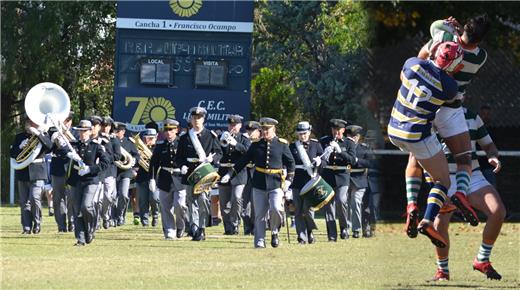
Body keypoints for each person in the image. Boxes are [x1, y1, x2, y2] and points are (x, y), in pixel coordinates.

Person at [405, 15, 491, 234]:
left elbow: (421, 58)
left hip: (428, 105)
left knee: (415, 158)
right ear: (480, 40)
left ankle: (412, 202)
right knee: (464, 158)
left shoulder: (444, 37)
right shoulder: (480, 56)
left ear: (464, 27)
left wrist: (446, 29)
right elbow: (466, 46)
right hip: (451, 109)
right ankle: (460, 193)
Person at [388, 41, 464, 248]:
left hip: (394, 130)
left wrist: (435, 40)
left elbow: (420, 59)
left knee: (419, 162)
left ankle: (412, 204)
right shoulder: (449, 87)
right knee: (443, 180)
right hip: (416, 134)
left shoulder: (413, 64)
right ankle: (428, 221)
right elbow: (451, 79)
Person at [429, 108, 505, 281]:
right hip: (445, 177)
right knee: (440, 224)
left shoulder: (472, 117)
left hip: (473, 175)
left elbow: (488, 145)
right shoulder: (431, 116)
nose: (459, 93)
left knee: (498, 211)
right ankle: (443, 270)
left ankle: (482, 259)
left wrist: (492, 156)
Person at [221, 117, 295, 248]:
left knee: (276, 209)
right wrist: (230, 174)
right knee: (260, 214)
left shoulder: (282, 144)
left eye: (268, 129)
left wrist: (289, 180)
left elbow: (291, 163)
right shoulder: (256, 145)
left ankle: (274, 231)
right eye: (263, 129)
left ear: (274, 129)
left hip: (276, 183)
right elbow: (243, 161)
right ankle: (259, 241)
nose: (265, 131)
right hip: (259, 183)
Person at [176, 107, 222, 241]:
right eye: (194, 117)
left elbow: (219, 152)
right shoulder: (185, 138)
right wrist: (182, 165)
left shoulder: (210, 135)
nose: (197, 120)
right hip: (190, 172)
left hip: (205, 171)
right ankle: (195, 228)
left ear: (204, 119)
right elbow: (179, 157)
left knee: (203, 200)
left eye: (199, 118)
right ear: (191, 119)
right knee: (191, 201)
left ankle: (202, 227)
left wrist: (212, 159)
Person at [61, 120, 109, 246]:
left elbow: (105, 163)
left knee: (86, 206)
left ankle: (91, 227)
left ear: (90, 131)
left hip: (91, 180)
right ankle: (81, 238)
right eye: (80, 131)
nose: (82, 134)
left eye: (85, 131)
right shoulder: (74, 145)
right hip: (76, 181)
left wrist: (90, 169)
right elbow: (61, 151)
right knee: (77, 210)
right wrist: (68, 154)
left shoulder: (96, 146)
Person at [10, 117, 53, 234]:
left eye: (33, 122)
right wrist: (19, 147)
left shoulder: (43, 135)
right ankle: (26, 227)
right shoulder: (19, 137)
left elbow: (49, 147)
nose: (30, 124)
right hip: (23, 171)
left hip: (37, 171)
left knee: (35, 198)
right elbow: (12, 154)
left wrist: (38, 134)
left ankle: (37, 222)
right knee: (24, 202)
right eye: (28, 122)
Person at [319, 119, 357, 241]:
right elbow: (322, 158)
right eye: (334, 130)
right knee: (328, 205)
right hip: (328, 175)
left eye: (338, 130)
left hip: (342, 176)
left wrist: (340, 151)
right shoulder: (325, 141)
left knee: (341, 200)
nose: (336, 132)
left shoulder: (349, 143)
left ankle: (344, 228)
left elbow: (352, 160)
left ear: (343, 130)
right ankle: (332, 234)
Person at [149, 119, 188, 239]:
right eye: (166, 130)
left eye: (171, 130)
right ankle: (169, 230)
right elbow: (154, 164)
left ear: (176, 130)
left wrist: (186, 167)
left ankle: (181, 226)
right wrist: (152, 179)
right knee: (165, 207)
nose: (168, 132)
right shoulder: (160, 145)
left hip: (180, 178)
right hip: (165, 178)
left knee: (179, 205)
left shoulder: (183, 143)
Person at [289, 121, 323, 244]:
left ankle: (310, 232)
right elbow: (288, 163)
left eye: (304, 133)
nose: (302, 136)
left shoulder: (316, 144)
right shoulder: (293, 146)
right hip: (297, 181)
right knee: (298, 210)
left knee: (308, 209)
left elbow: (324, 160)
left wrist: (319, 162)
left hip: (311, 181)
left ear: (309, 132)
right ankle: (301, 237)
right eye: (300, 134)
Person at [218, 115, 251, 235]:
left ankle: (235, 223)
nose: (232, 127)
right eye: (231, 125)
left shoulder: (244, 139)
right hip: (224, 171)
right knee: (224, 202)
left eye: (235, 125)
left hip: (239, 173)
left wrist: (235, 144)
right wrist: (221, 142)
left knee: (237, 198)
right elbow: (217, 152)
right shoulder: (221, 137)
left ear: (240, 126)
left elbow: (247, 152)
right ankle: (228, 227)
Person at [346, 125, 373, 238]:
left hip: (359, 179)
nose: (352, 138)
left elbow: (370, 163)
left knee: (356, 202)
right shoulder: (343, 147)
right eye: (349, 136)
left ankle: (356, 229)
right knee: (345, 204)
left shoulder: (364, 148)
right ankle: (346, 229)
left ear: (358, 137)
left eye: (354, 136)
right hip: (345, 178)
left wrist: (356, 160)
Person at [49, 112, 74, 232]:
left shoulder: (75, 133)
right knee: (58, 198)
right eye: (64, 120)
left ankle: (72, 223)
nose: (66, 123)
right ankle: (61, 225)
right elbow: (48, 148)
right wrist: (53, 138)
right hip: (58, 168)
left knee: (71, 197)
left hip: (71, 169)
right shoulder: (53, 133)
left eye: (68, 120)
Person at [112, 122, 139, 226]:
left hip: (125, 172)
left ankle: (120, 216)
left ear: (123, 131)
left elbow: (136, 155)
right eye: (114, 131)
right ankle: (113, 217)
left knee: (123, 195)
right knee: (113, 196)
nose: (115, 133)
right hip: (113, 171)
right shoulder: (111, 141)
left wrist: (133, 161)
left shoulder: (129, 142)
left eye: (117, 131)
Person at [135, 128, 160, 227]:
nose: (148, 140)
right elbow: (136, 162)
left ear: (156, 137)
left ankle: (155, 216)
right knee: (143, 200)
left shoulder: (158, 148)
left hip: (155, 178)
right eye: (146, 138)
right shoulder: (139, 149)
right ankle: (144, 221)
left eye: (151, 138)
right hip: (142, 177)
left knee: (154, 198)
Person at [241, 120, 261, 235]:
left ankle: (254, 226)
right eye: (248, 130)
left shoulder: (260, 143)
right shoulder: (244, 141)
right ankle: (247, 226)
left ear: (258, 131)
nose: (250, 133)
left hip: (257, 174)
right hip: (244, 174)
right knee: (244, 203)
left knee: (255, 203)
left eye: (252, 130)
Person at [477, 105, 496, 187]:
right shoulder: (474, 129)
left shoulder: (493, 131)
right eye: (483, 114)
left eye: (488, 114)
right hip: (475, 167)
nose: (485, 116)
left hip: (488, 167)